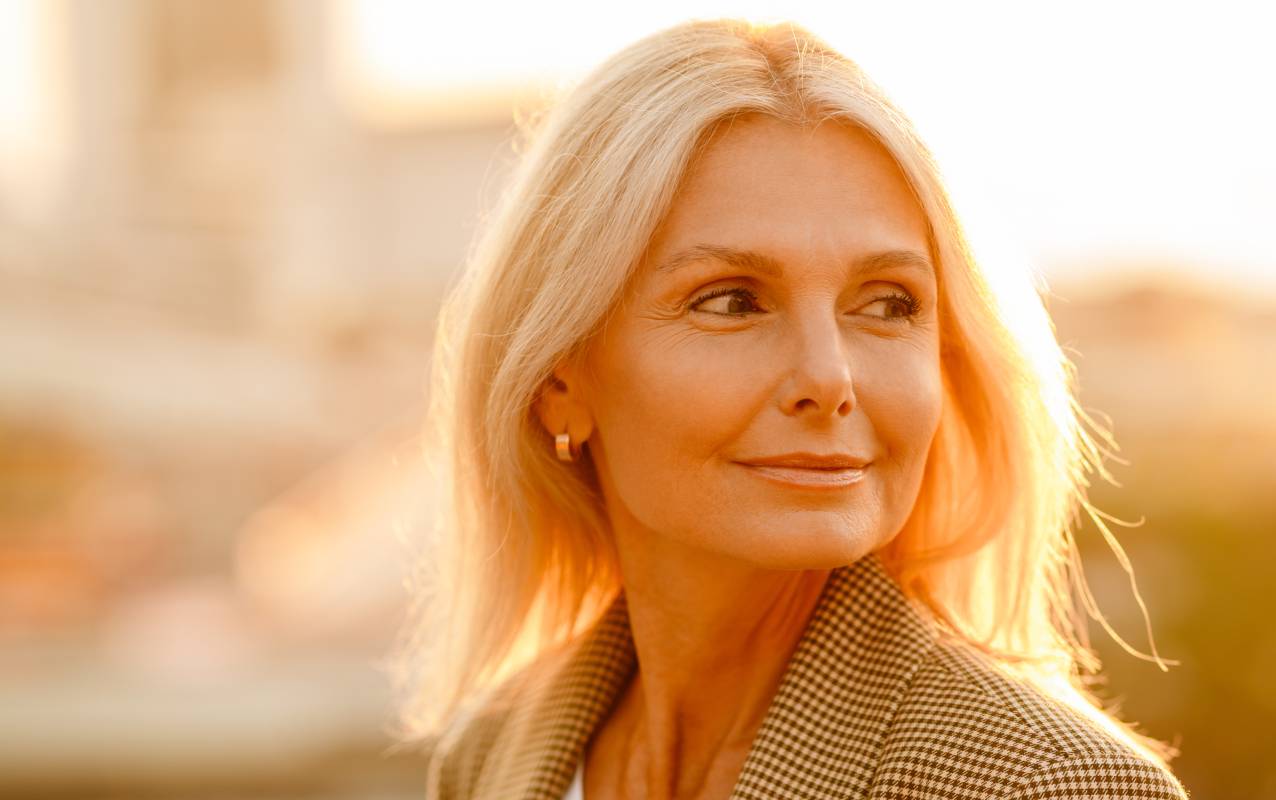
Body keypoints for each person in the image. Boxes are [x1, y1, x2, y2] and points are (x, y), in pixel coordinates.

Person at [388, 17, 1188, 800]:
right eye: (732, 301)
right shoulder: (489, 759)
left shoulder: (1051, 785)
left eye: (888, 303)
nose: (829, 377)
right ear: (560, 382)